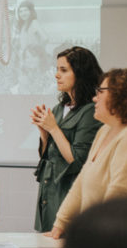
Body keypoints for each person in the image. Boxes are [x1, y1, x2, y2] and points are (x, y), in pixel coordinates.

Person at [48, 68, 127, 239]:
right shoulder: (105, 131)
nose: (95, 98)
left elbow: (118, 197)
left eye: (100, 92)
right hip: (109, 239)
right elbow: (81, 183)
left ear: (121, 95)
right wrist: (60, 225)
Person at [31, 47, 102, 232]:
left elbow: (77, 159)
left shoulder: (90, 111)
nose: (56, 75)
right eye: (57, 69)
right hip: (49, 189)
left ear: (80, 74)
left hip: (68, 193)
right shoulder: (57, 108)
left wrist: (54, 129)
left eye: (63, 70)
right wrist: (44, 133)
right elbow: (46, 155)